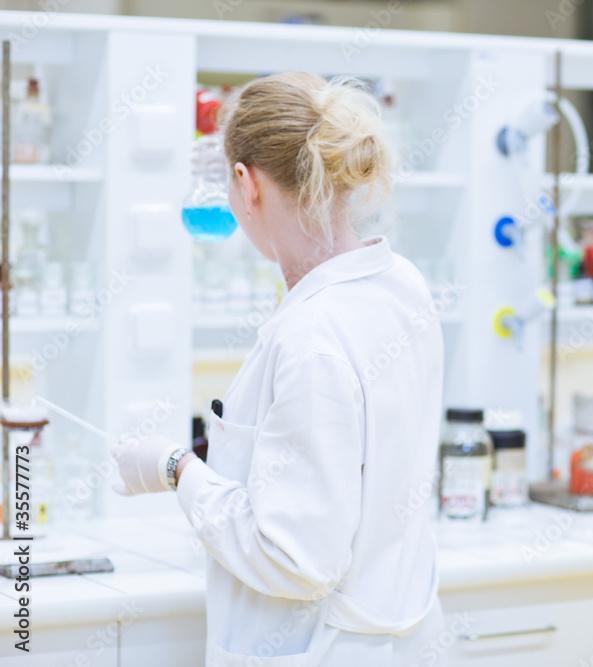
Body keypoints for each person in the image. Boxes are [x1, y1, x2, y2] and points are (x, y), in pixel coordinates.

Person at [111, 72, 446, 666]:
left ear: (246, 183)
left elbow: (295, 558)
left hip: (325, 649)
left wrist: (177, 469)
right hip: (405, 636)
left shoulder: (312, 336)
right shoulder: (402, 284)